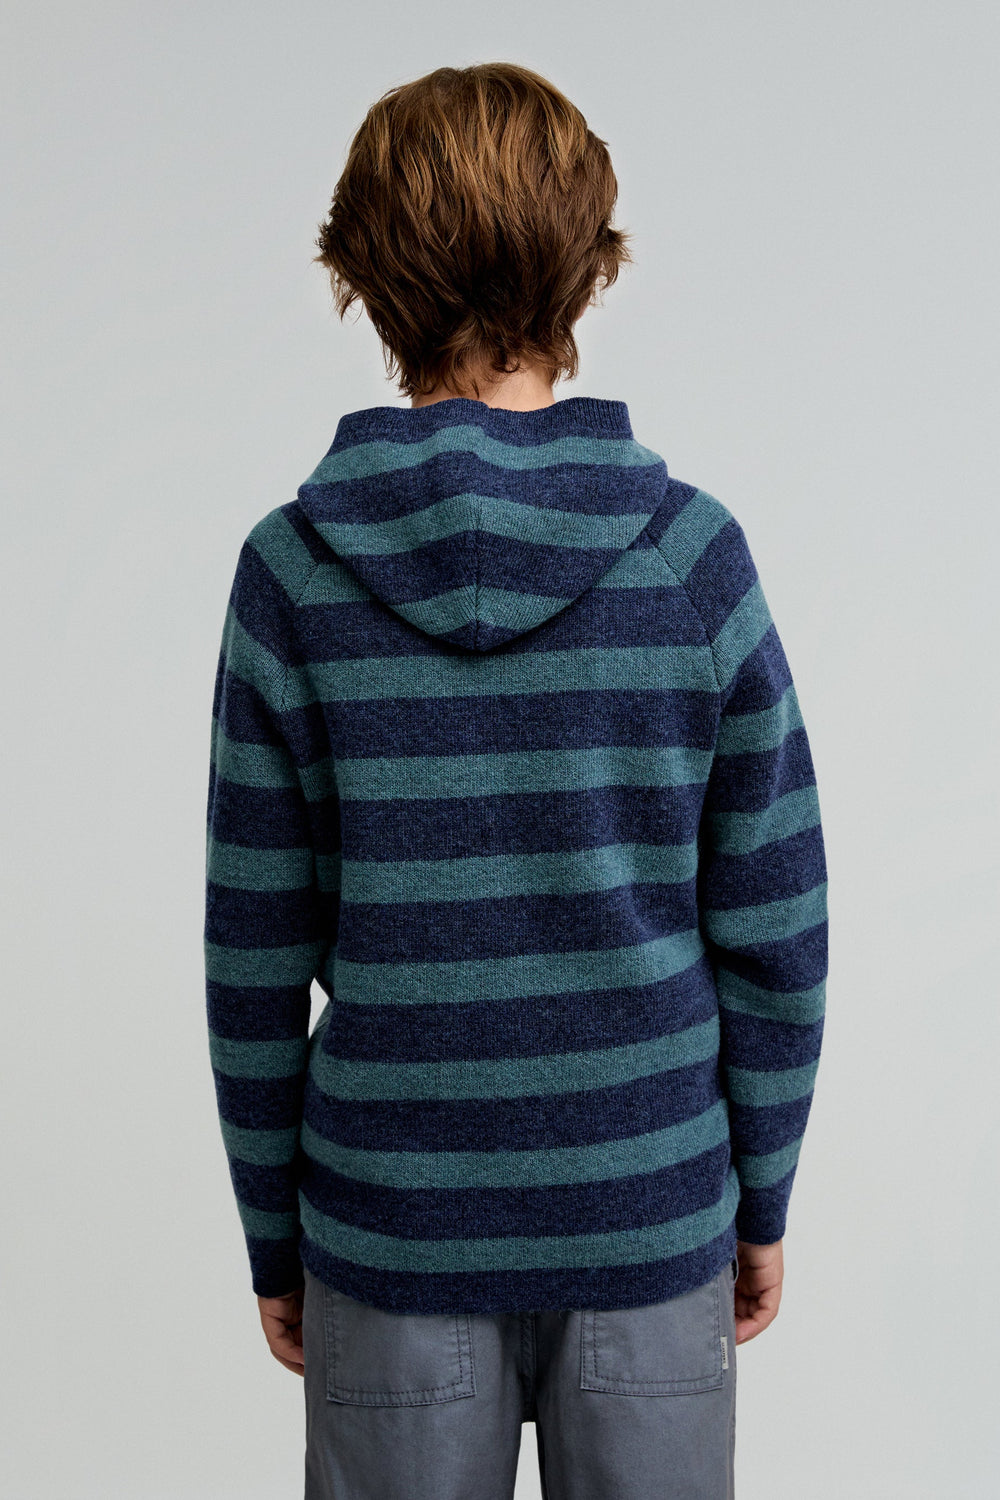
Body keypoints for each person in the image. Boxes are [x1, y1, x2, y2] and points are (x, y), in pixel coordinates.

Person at [204, 61, 828, 1500]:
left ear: (364, 271)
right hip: (648, 1211)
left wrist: (275, 1235)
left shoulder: (292, 574)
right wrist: (760, 1191)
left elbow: (254, 953)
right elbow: (777, 928)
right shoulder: (691, 558)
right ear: (586, 263)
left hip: (390, 1232)